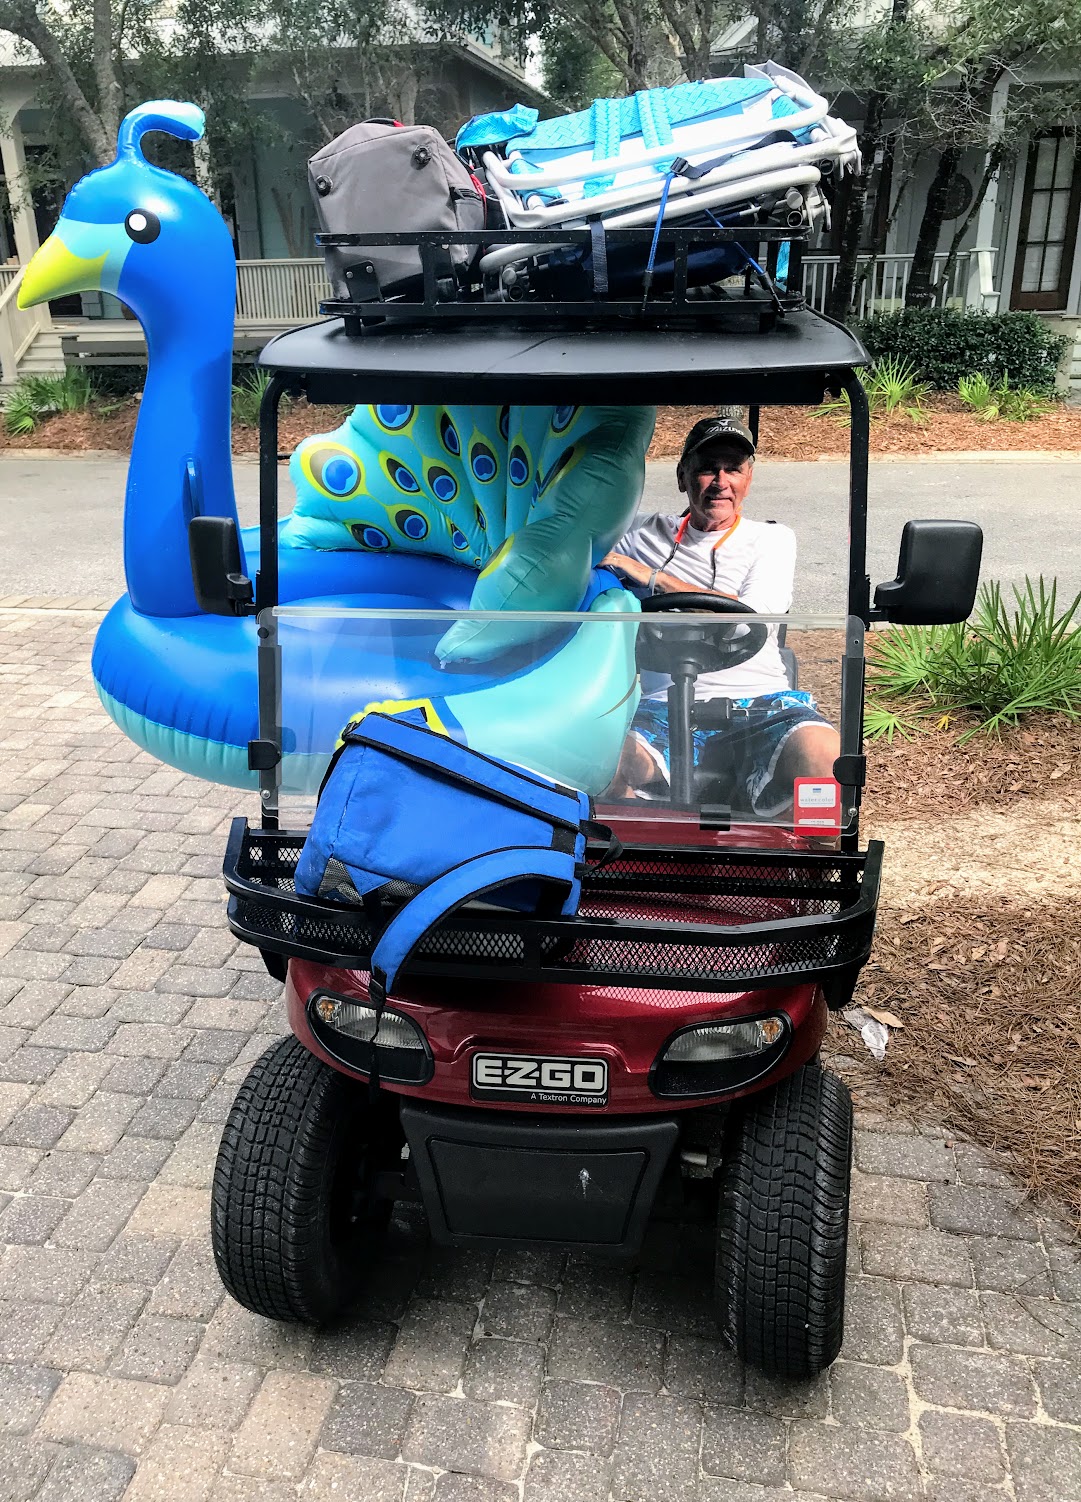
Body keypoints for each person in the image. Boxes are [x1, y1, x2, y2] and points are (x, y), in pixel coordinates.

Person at [601, 414, 840, 815]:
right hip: (660, 705)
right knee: (603, 758)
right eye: (707, 469)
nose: (720, 481)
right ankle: (626, 870)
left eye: (733, 469)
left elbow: (752, 617)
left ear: (748, 478)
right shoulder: (639, 535)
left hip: (762, 703)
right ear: (682, 476)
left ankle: (808, 870)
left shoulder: (771, 540)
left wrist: (655, 578)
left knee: (824, 755)